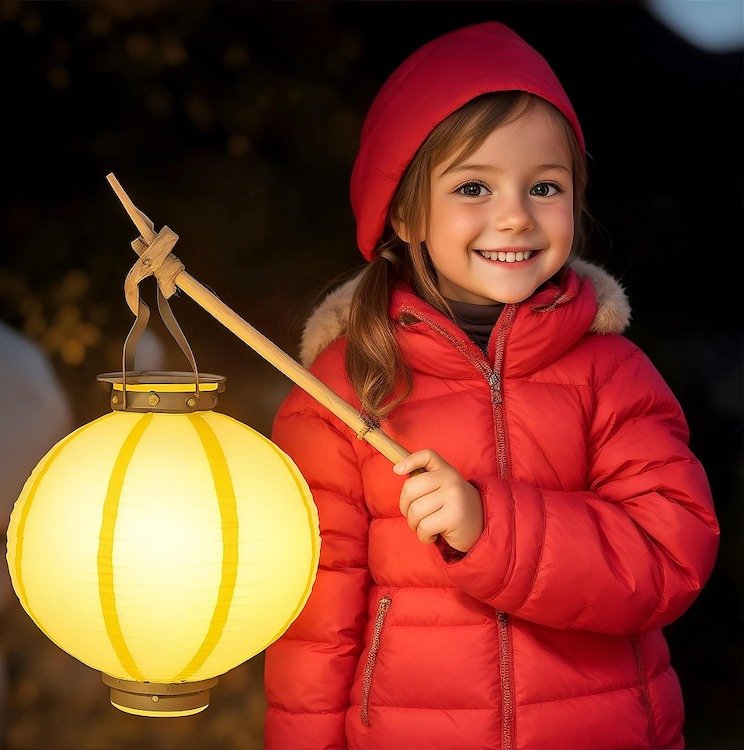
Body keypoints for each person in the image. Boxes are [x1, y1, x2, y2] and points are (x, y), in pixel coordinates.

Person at [263, 20, 720, 750]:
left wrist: (491, 527)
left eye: (545, 186)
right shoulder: (340, 393)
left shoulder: (612, 375)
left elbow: (671, 556)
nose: (514, 215)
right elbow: (313, 628)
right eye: (473, 186)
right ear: (405, 213)